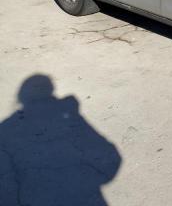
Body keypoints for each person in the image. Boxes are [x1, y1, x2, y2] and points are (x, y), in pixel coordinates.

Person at [0, 75, 121, 205]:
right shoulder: (69, 117)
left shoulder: (6, 129)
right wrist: (88, 185)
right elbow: (111, 157)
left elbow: (5, 181)